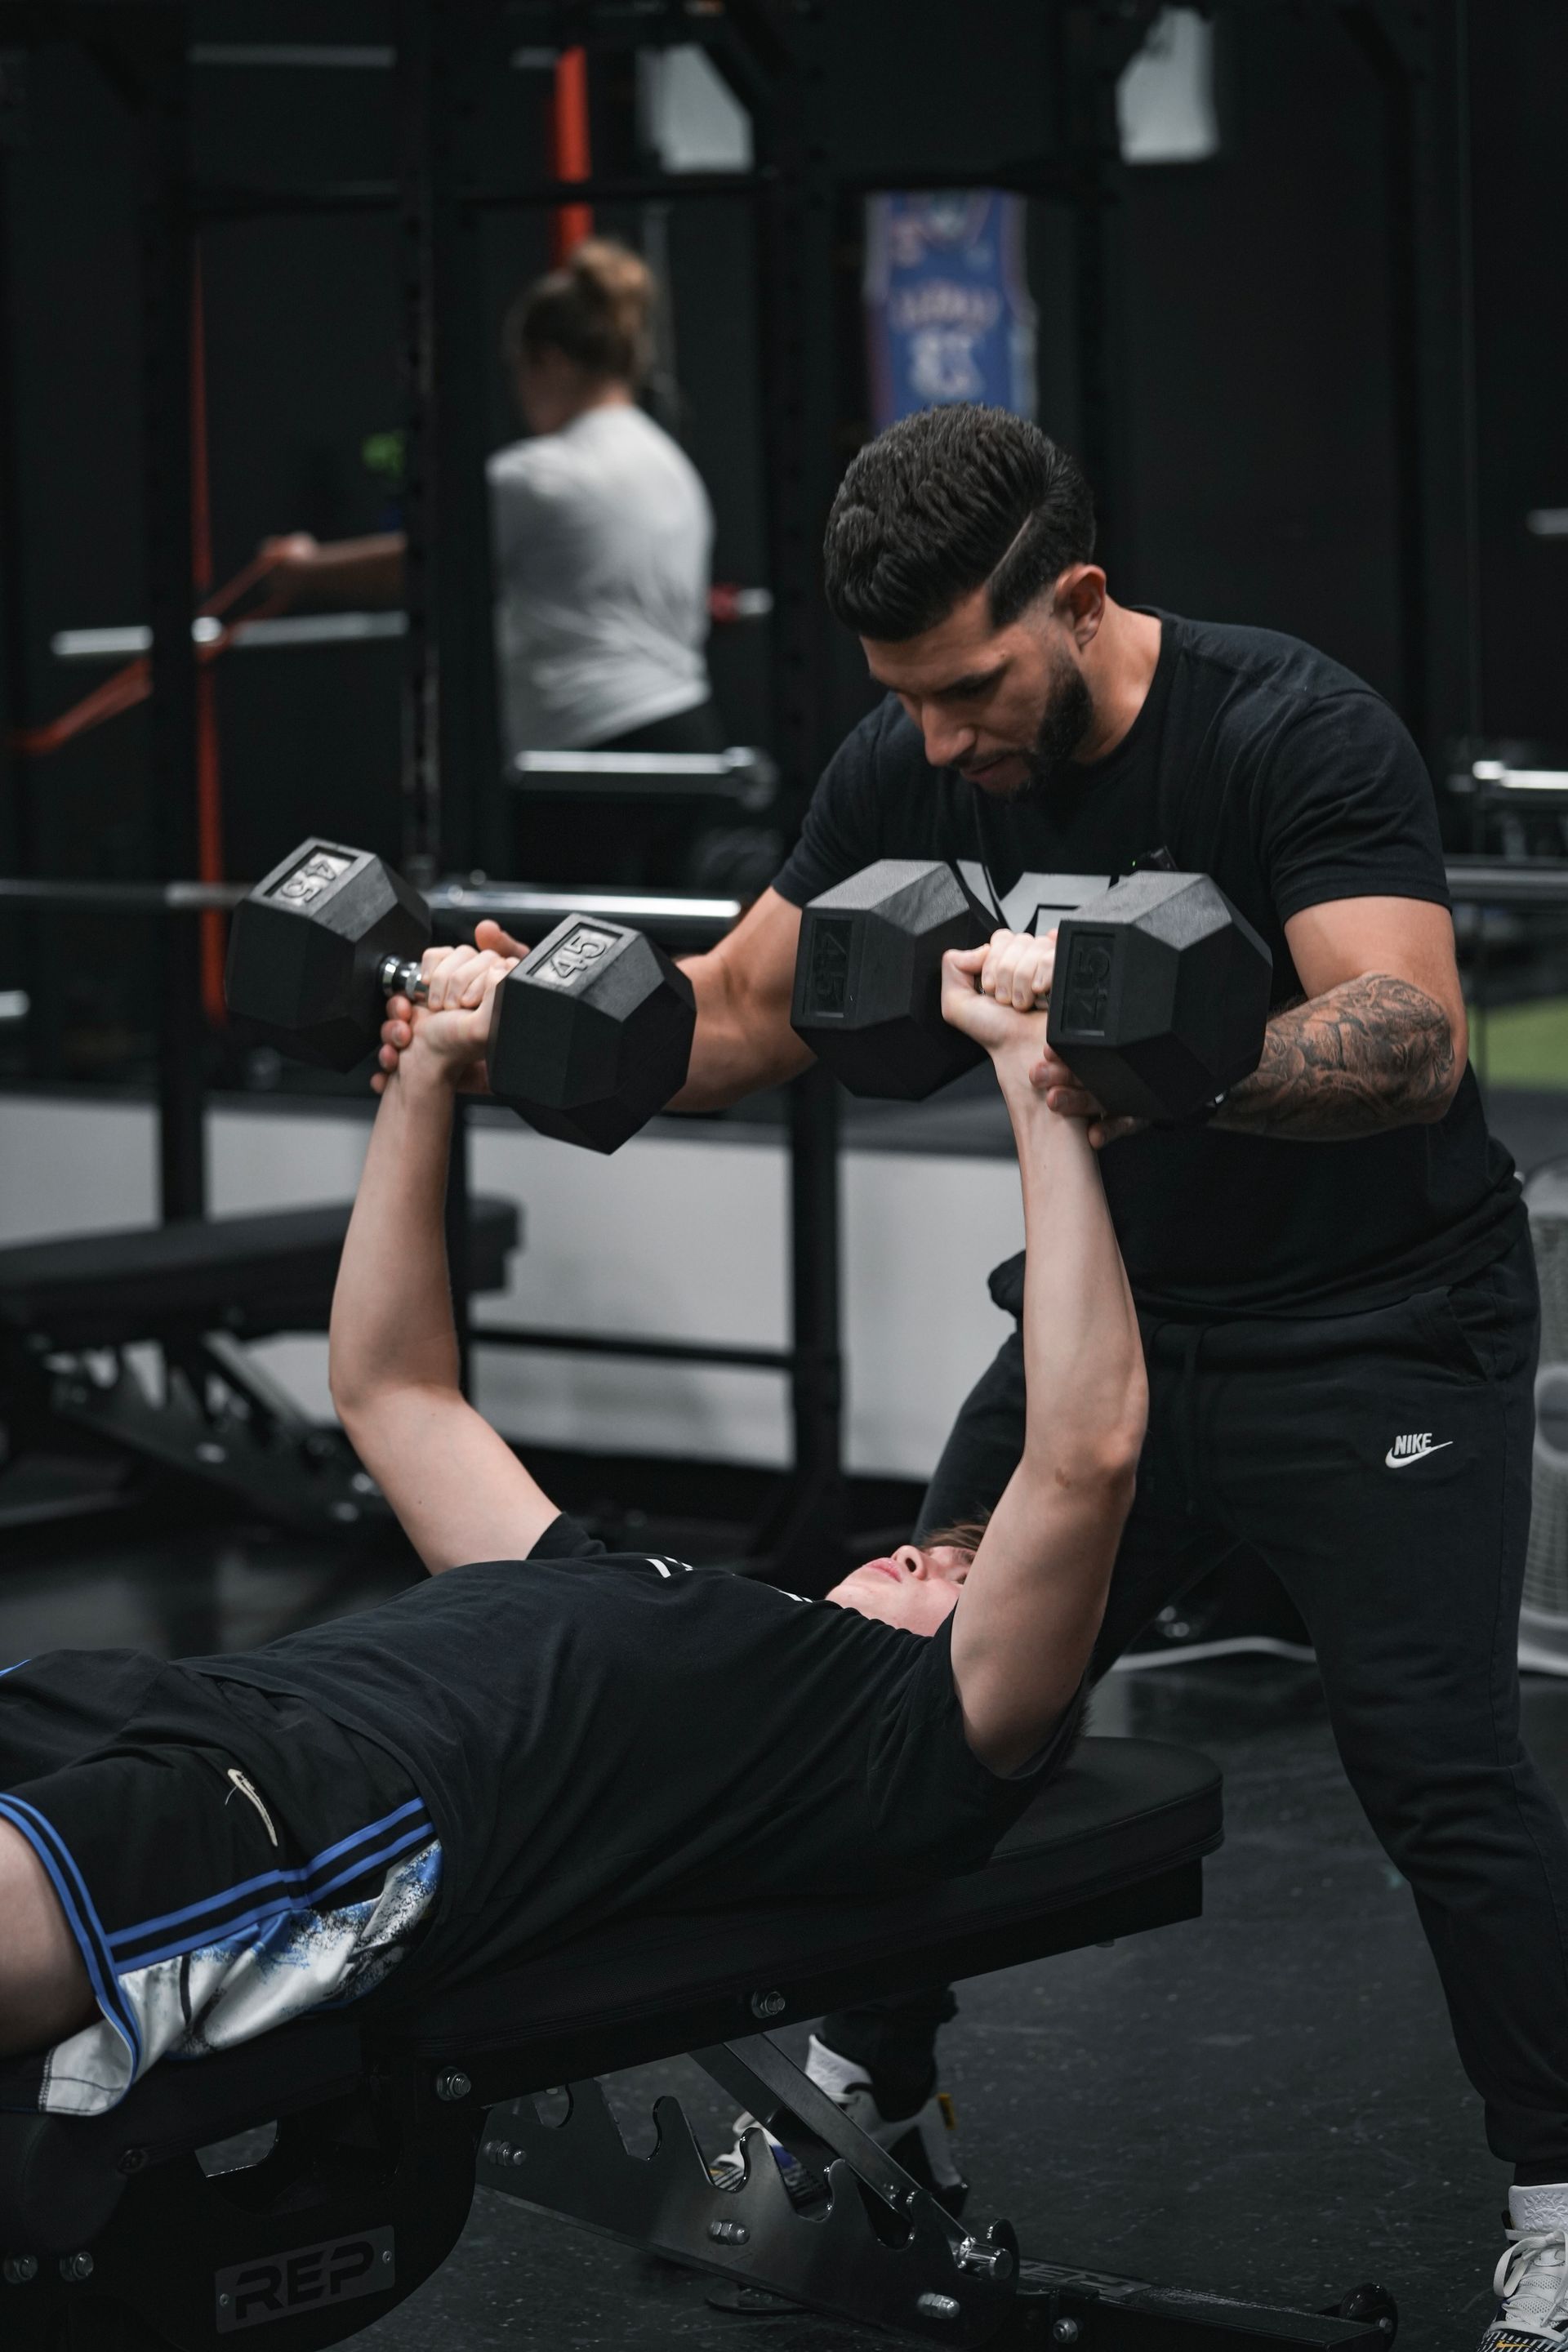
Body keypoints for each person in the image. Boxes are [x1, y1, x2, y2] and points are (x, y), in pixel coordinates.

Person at [416, 403, 1557, 2344]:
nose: (940, 743)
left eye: (969, 688)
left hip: (1373, 1326)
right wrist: (516, 1022)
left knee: (1435, 1765)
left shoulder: (1286, 727)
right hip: (1109, 1333)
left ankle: (1558, 2201)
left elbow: (1408, 1033)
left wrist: (1134, 1058)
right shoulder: (906, 762)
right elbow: (743, 1013)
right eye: (905, 699)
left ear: (1080, 599)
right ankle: (866, 2109)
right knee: (906, 1705)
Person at [0, 939, 1145, 2122]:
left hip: (324, 1809)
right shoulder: (627, 1587)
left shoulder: (903, 1743)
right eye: (939, 1544)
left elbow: (1085, 1457)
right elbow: (394, 1394)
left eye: (962, 1573)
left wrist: (1035, 1078)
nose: (920, 1551)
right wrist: (426, 1073)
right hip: (177, 1699)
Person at [263, 238, 722, 883]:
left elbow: (421, 564)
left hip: (586, 755)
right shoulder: (670, 465)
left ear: (550, 361)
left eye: (519, 372)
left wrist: (303, 570)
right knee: (658, 939)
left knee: (564, 943)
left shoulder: (539, 473)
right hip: (686, 736)